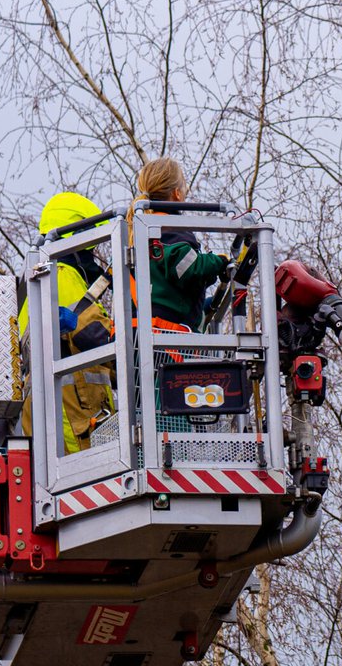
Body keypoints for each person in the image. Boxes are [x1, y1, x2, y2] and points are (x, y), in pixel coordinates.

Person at [20, 191, 117, 453]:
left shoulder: (42, 281)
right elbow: (93, 335)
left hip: (62, 415)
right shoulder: (62, 274)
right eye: (91, 248)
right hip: (72, 417)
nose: (94, 256)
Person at [133, 157, 236, 331]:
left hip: (143, 330)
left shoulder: (140, 230)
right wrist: (218, 262)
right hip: (167, 335)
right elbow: (187, 268)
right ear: (177, 194)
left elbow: (168, 285)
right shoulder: (170, 228)